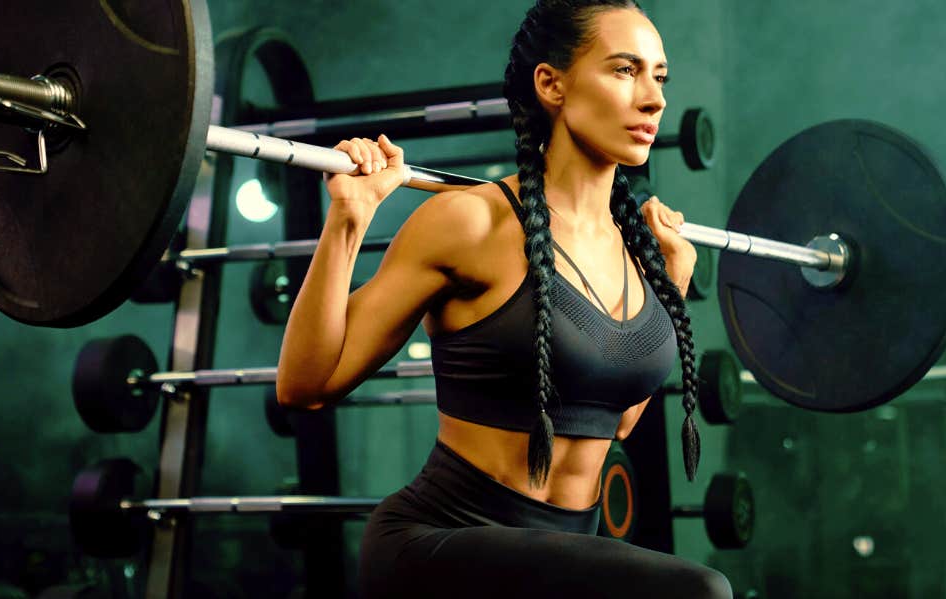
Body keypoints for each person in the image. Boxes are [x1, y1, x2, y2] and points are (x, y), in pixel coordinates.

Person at [276, 1, 731, 597]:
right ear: (551, 84)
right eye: (625, 71)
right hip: (442, 541)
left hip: (560, 550)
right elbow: (304, 385)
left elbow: (613, 422)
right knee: (699, 592)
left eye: (659, 75)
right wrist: (348, 220)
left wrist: (669, 281)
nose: (654, 99)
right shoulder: (471, 223)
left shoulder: (636, 251)